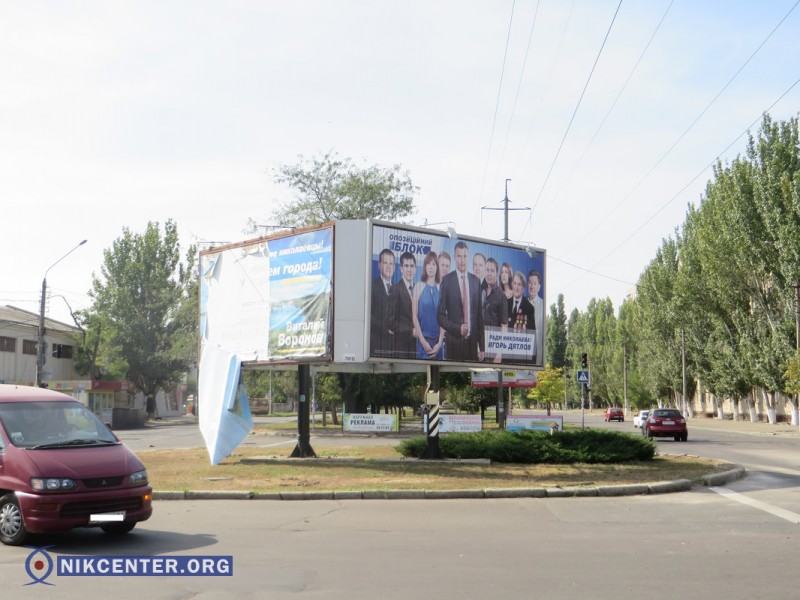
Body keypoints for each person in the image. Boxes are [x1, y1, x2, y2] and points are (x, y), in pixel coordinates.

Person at [437, 241, 484, 362]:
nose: (462, 260)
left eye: (465, 256)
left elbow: (479, 317)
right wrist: (458, 328)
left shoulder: (475, 281)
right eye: (459, 256)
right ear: (454, 257)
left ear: (468, 257)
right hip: (453, 346)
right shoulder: (447, 281)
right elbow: (440, 317)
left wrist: (482, 346)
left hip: (472, 346)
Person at [412, 251, 444, 359]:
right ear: (425, 266)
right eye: (428, 264)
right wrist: (423, 341)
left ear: (437, 267)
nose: (431, 267)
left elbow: (443, 319)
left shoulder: (441, 288)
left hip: (438, 346)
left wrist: (439, 343)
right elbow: (414, 316)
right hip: (423, 344)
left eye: (434, 264)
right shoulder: (418, 286)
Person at [388, 251, 417, 359]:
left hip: (419, 348)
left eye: (411, 266)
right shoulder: (395, 289)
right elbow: (390, 322)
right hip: (402, 348)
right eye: (406, 266)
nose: (409, 269)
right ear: (401, 268)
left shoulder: (419, 289)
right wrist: (411, 331)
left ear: (415, 268)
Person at [481, 257, 508, 363]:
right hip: (478, 348)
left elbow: (504, 326)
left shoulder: (501, 296)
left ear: (497, 274)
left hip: (492, 350)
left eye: (492, 271)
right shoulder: (479, 290)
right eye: (487, 270)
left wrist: (499, 353)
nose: (489, 273)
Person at [370, 248, 395, 357]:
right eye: (385, 263)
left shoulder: (398, 289)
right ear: (379, 265)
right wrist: (386, 329)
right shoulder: (371, 285)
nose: (388, 266)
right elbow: (368, 316)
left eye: (391, 263)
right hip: (376, 346)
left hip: (395, 348)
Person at [507, 271, 536, 364]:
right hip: (506, 357)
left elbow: (532, 336)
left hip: (521, 359)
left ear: (523, 287)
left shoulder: (529, 308)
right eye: (514, 283)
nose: (516, 287)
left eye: (519, 284)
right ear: (511, 284)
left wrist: (532, 363)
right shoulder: (505, 303)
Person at [527, 269, 544, 365]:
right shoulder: (521, 303)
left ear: (539, 287)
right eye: (529, 283)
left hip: (536, 356)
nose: (532, 286)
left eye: (534, 283)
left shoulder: (542, 305)